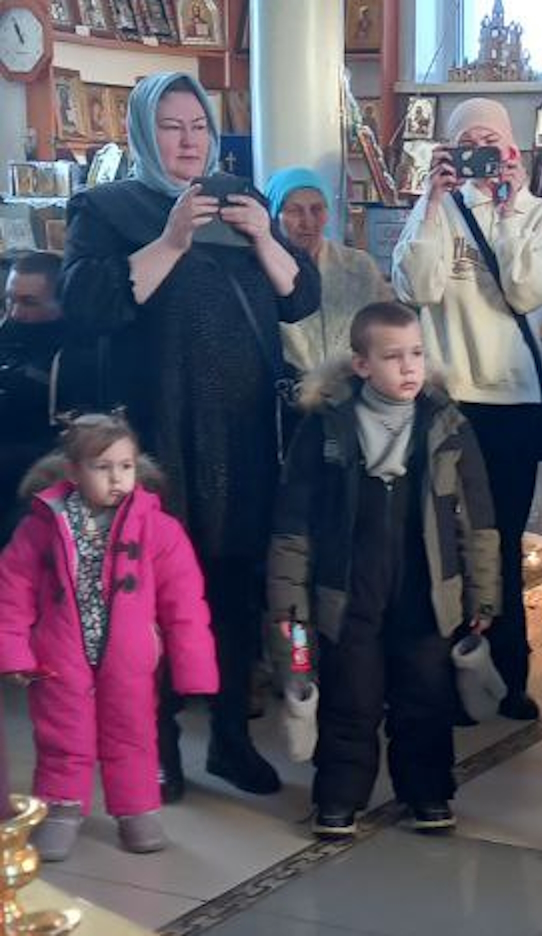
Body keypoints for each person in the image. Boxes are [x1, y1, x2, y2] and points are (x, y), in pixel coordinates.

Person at [58, 71, 321, 799]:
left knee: (233, 593)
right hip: (156, 437)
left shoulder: (239, 197)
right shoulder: (107, 209)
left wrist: (263, 234)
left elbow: (300, 296)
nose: (187, 141)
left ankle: (231, 738)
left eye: (198, 126)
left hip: (241, 434)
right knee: (150, 597)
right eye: (171, 127)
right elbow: (89, 306)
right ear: (144, 132)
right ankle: (158, 747)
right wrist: (173, 239)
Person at [267, 302, 500, 836]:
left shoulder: (447, 425)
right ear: (361, 365)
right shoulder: (326, 427)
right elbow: (293, 523)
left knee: (426, 694)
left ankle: (428, 791)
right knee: (351, 696)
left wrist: (482, 594)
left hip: (426, 590)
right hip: (349, 589)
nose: (409, 367)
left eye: (416, 353)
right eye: (393, 357)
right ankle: (339, 796)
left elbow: (478, 520)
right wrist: (290, 605)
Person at [392, 98, 542, 720]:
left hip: (512, 405)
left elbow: (526, 292)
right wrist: (431, 201)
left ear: (513, 148)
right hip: (446, 400)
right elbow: (416, 286)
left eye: (491, 141)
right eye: (467, 143)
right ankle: (445, 680)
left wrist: (509, 210)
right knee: (443, 543)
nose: (480, 153)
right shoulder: (437, 208)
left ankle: (508, 675)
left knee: (501, 542)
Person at [0, 413, 218, 861]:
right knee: (63, 733)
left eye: (126, 466)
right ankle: (60, 809)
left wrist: (194, 667)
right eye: (102, 467)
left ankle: (137, 809)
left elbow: (185, 603)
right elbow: (12, 592)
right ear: (74, 471)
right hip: (59, 653)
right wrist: (14, 651)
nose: (117, 478)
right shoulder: (41, 527)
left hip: (130, 656)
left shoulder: (159, 529)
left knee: (133, 731)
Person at [265, 167, 393, 375]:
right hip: (287, 388)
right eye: (295, 211)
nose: (308, 222)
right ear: (273, 216)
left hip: (351, 385)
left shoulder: (360, 266)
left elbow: (386, 331)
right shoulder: (262, 271)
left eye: (317, 209)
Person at [0, 252, 65, 541]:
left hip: (34, 476)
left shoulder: (72, 359)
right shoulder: (7, 336)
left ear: (60, 304)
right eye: (10, 300)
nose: (15, 312)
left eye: (29, 302)